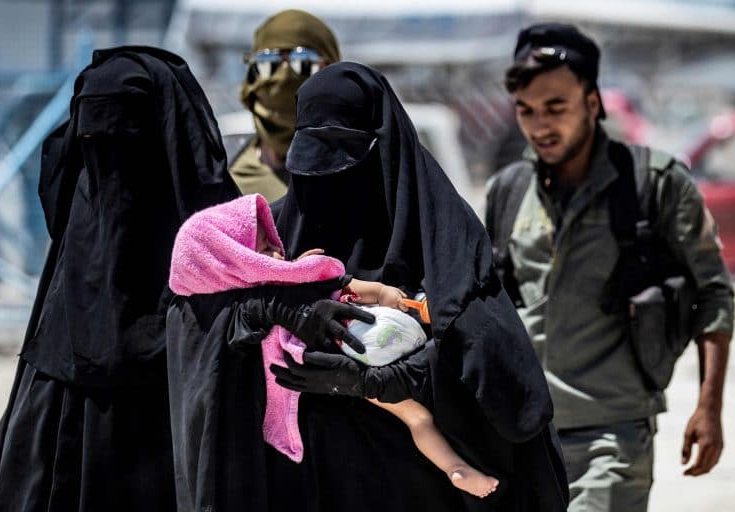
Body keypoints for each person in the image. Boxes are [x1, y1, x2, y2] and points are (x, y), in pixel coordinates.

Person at [0, 47, 365, 512]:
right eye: (95, 145)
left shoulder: (215, 258)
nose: (111, 165)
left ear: (167, 144)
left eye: (128, 142)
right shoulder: (64, 317)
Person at [265, 61, 569, 511]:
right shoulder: (274, 231)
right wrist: (286, 312)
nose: (330, 181)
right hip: (316, 478)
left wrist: (393, 378)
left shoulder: (440, 236)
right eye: (315, 159)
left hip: (423, 486)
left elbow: (490, 353)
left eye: (346, 157)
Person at [483, 23, 735, 512]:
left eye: (556, 107)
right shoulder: (507, 192)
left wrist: (709, 407)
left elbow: (714, 295)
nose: (540, 125)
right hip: (521, 437)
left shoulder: (654, 184)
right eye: (526, 110)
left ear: (593, 103)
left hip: (612, 437)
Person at [167, 194, 499, 502]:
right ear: (233, 260)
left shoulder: (294, 274)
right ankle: (454, 467)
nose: (277, 253)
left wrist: (383, 295)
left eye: (272, 244)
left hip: (356, 356)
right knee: (416, 416)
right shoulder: (244, 309)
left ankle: (454, 468)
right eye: (263, 249)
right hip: (341, 364)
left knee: (415, 416)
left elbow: (348, 285)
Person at [229, 9, 340, 202]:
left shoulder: (356, 173)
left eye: (303, 62)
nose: (284, 76)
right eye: (268, 62)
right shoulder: (225, 175)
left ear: (330, 68)